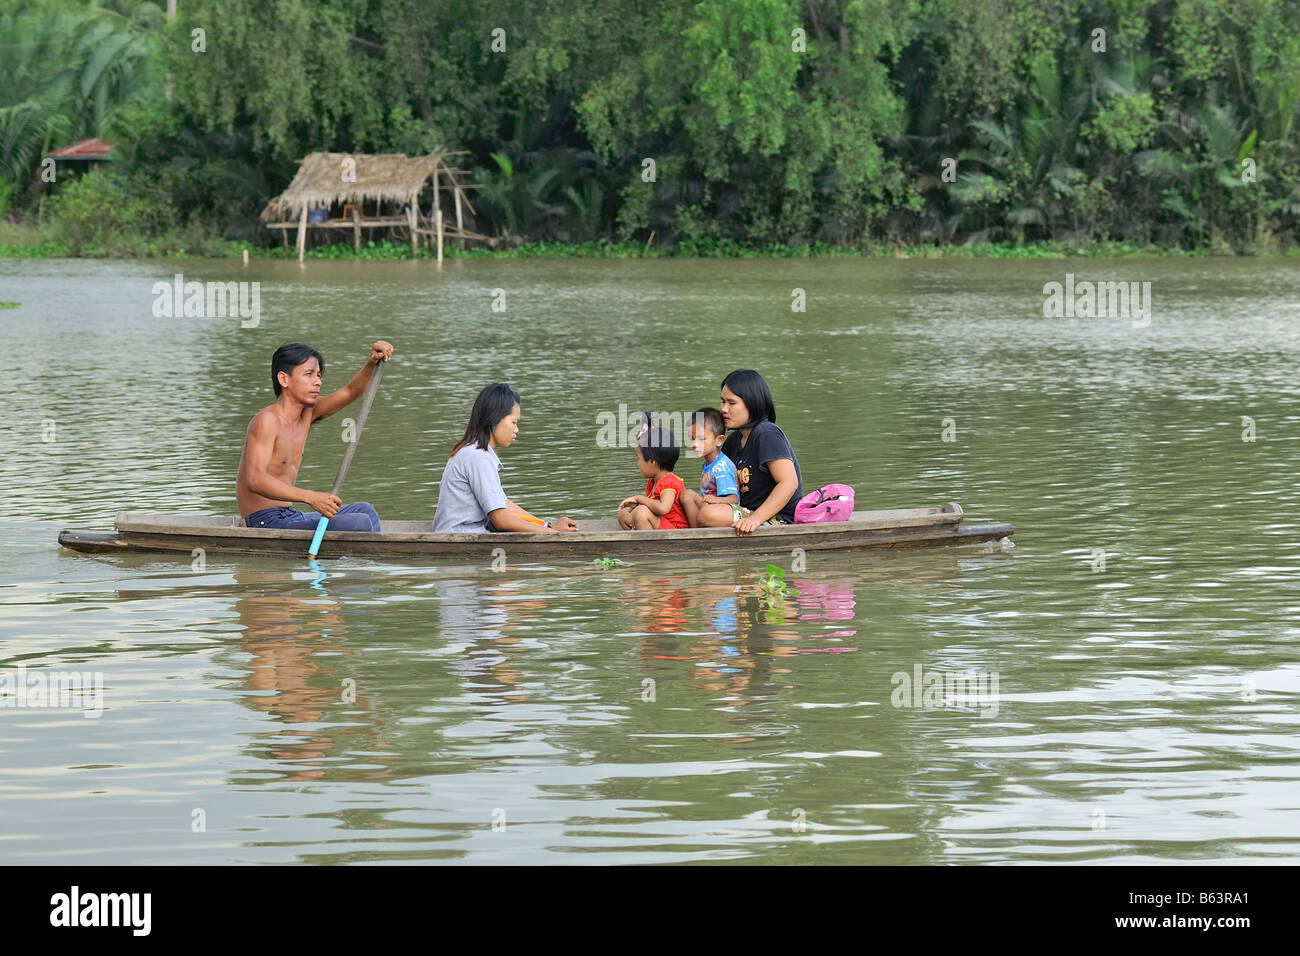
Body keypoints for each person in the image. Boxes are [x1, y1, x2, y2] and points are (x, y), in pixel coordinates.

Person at [237, 340, 394, 531]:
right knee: (359, 522)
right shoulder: (267, 421)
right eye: (309, 374)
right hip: (264, 520)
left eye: (318, 375)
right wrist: (311, 497)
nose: (318, 381)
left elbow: (351, 391)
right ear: (284, 379)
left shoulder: (308, 412)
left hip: (289, 515)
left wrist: (372, 362)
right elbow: (255, 480)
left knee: (366, 511)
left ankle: (368, 555)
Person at [432, 383, 580, 533]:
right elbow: (502, 520)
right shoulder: (477, 456)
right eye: (514, 422)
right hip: (460, 538)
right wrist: (554, 534)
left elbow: (503, 504)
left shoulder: (475, 451)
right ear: (494, 419)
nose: (517, 429)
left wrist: (546, 526)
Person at [693, 369, 803, 534]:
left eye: (731, 403)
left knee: (709, 513)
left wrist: (755, 519)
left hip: (776, 519)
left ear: (752, 403)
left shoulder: (767, 433)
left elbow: (789, 483)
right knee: (688, 497)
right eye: (723, 402)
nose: (723, 409)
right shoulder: (731, 441)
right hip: (743, 512)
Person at [618, 413, 689, 530]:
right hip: (661, 526)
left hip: (675, 531)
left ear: (652, 462)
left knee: (641, 513)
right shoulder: (653, 481)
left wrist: (639, 499)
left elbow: (663, 508)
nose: (638, 464)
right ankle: (638, 541)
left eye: (639, 459)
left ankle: (649, 547)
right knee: (623, 514)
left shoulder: (669, 482)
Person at [679, 406, 739, 527]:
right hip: (710, 509)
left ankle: (698, 532)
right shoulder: (707, 464)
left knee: (696, 502)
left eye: (701, 439)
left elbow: (734, 499)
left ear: (719, 440)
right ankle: (695, 531)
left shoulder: (721, 467)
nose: (695, 444)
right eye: (692, 439)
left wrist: (718, 500)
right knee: (686, 495)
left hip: (724, 512)